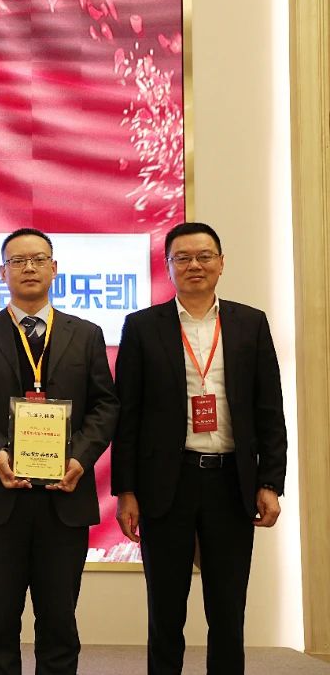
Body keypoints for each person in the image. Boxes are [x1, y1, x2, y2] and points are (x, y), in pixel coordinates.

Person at [0, 228, 118, 674]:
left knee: (60, 625)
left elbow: (106, 405)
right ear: (3, 273)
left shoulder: (86, 334)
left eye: (38, 259)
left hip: (65, 499)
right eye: (17, 261)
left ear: (54, 268)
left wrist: (79, 458)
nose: (29, 268)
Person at [112, 222, 286, 675]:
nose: (195, 265)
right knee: (165, 610)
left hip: (232, 482)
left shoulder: (250, 323)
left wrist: (270, 482)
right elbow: (127, 416)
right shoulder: (142, 327)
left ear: (221, 263)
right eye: (183, 257)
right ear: (168, 266)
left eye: (204, 256)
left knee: (228, 609)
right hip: (166, 484)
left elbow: (269, 409)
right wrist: (126, 491)